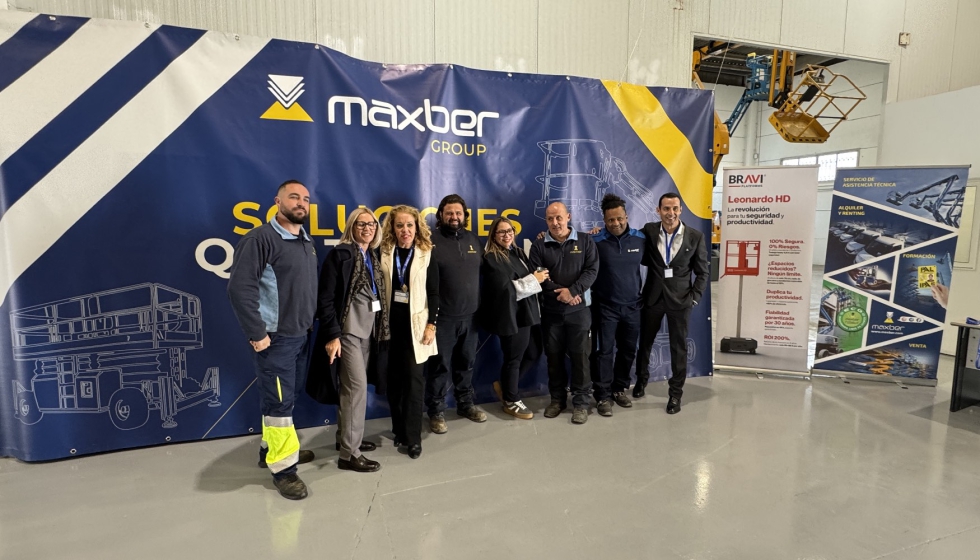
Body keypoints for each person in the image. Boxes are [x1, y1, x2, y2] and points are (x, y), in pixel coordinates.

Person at [227, 179, 318, 500]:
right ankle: (284, 470)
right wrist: (257, 333)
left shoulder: (305, 241)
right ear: (277, 201)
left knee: (279, 400)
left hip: (301, 335)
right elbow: (240, 289)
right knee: (280, 404)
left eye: (305, 198)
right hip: (276, 340)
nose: (301, 203)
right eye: (294, 197)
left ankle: (272, 450)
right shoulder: (260, 239)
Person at [308, 207, 386, 474]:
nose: (367, 228)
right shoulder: (340, 254)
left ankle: (346, 438)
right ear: (352, 227)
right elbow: (325, 299)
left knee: (350, 390)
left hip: (367, 331)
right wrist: (332, 335)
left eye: (372, 224)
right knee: (356, 390)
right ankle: (349, 455)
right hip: (347, 332)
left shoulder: (372, 255)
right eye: (361, 224)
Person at [635, 193, 709, 415]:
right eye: (666, 208)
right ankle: (641, 381)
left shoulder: (695, 236)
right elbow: (627, 237)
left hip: (680, 300)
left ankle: (675, 394)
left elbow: (703, 272)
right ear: (658, 210)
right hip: (653, 298)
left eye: (675, 208)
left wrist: (694, 297)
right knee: (645, 343)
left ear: (680, 210)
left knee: (678, 348)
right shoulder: (649, 231)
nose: (671, 213)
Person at [529, 202, 599, 425]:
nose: (555, 223)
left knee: (581, 357)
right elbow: (540, 277)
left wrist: (574, 291)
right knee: (554, 357)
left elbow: (591, 270)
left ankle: (581, 403)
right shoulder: (538, 246)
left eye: (559, 217)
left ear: (568, 217)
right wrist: (564, 293)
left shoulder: (585, 241)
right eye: (550, 219)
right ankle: (557, 400)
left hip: (579, 311)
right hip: (552, 312)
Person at [379, 205, 438, 459]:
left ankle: (413, 438)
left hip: (417, 329)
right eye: (400, 225)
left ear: (417, 227)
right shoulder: (383, 251)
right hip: (389, 328)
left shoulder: (427, 253)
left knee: (414, 382)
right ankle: (399, 430)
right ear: (392, 228)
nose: (405, 230)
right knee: (394, 383)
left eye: (410, 225)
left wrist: (432, 324)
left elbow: (434, 292)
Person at [425, 194, 487, 434]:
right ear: (440, 215)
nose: (454, 217)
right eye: (449, 213)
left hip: (471, 317)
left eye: (458, 213)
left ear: (465, 215)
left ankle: (465, 404)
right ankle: (436, 411)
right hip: (442, 319)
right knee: (439, 367)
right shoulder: (430, 241)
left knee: (466, 364)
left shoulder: (473, 239)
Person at [480, 216, 548, 419]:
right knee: (513, 359)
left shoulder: (517, 252)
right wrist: (534, 279)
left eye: (509, 231)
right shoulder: (491, 258)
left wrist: (537, 276)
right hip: (511, 316)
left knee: (534, 352)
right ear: (493, 235)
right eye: (501, 232)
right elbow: (506, 290)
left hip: (528, 313)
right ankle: (511, 400)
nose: (506, 235)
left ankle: (505, 386)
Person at [589, 194, 645, 416]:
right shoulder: (595, 241)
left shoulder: (641, 239)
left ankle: (619, 388)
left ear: (626, 216)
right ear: (604, 220)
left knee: (628, 350)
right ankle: (602, 395)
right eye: (611, 220)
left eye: (619, 218)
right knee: (603, 352)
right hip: (605, 308)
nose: (616, 223)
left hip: (633, 307)